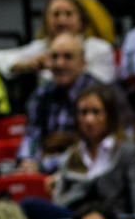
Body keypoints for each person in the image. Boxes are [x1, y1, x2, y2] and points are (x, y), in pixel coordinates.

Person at [51, 84, 135, 215]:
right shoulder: (72, 155)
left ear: (109, 115)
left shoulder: (126, 151)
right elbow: (58, 203)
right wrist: (81, 190)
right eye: (83, 113)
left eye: (96, 112)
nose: (89, 119)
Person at [0, 0, 115, 84]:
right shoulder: (41, 47)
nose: (62, 20)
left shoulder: (100, 49)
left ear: (82, 20)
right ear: (46, 20)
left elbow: (104, 86)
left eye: (69, 14)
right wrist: (25, 65)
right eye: (56, 14)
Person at [17, 32, 96, 172]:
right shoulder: (42, 93)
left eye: (68, 57)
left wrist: (44, 165)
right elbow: (32, 134)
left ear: (83, 62)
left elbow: (93, 149)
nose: (60, 63)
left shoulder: (98, 95)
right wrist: (27, 160)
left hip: (86, 171)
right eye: (54, 57)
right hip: (43, 167)